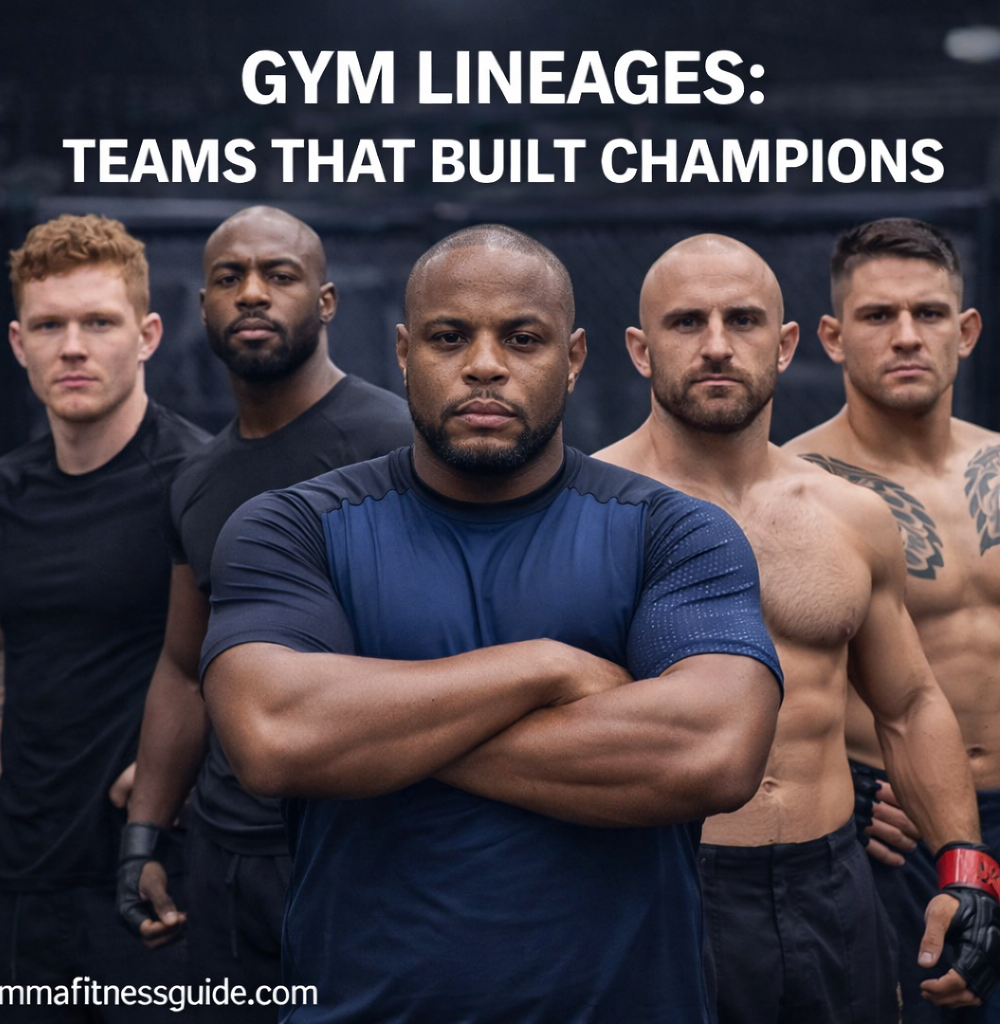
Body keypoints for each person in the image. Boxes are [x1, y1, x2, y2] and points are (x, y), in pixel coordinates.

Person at [197, 224, 784, 1023]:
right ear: (402, 351)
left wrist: (376, 736)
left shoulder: (674, 532)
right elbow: (273, 737)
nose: (483, 364)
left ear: (573, 359)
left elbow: (712, 754)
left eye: (522, 337)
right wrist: (545, 668)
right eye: (448, 336)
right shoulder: (292, 528)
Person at [595, 233, 1000, 1024]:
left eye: (743, 321)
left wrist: (965, 865)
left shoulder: (850, 515)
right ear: (641, 351)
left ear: (784, 345)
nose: (717, 346)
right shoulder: (591, 513)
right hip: (670, 876)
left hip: (832, 887)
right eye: (687, 324)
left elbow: (910, 702)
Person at [116, 206, 412, 1018]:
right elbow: (183, 667)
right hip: (225, 863)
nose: (252, 293)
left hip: (369, 856)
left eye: (278, 276)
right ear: (202, 305)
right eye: (228, 278)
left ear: (325, 301)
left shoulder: (399, 446)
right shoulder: (196, 481)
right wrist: (145, 834)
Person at [0, 214, 209, 1020]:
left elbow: (257, 652)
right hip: (22, 878)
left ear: (146, 335)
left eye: (98, 322)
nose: (72, 346)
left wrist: (188, 769)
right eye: (49, 325)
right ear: (17, 342)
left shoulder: (199, 483)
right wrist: (6, 783)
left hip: (154, 879)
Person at [785, 216, 1000, 1022]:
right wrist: (838, 790)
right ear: (835, 338)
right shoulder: (794, 488)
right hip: (900, 836)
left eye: (930, 314)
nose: (907, 336)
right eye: (878, 317)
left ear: (967, 330)